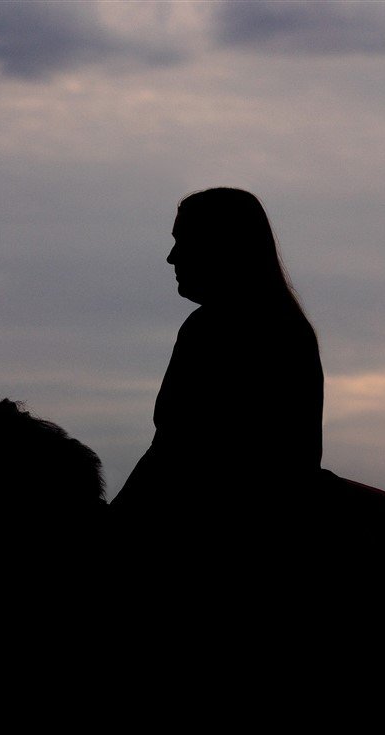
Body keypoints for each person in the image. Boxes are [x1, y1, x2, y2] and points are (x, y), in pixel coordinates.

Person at [111, 187, 324, 525]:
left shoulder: (213, 328)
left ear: (220, 246)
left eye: (184, 240)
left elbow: (175, 452)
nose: (172, 256)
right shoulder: (286, 325)